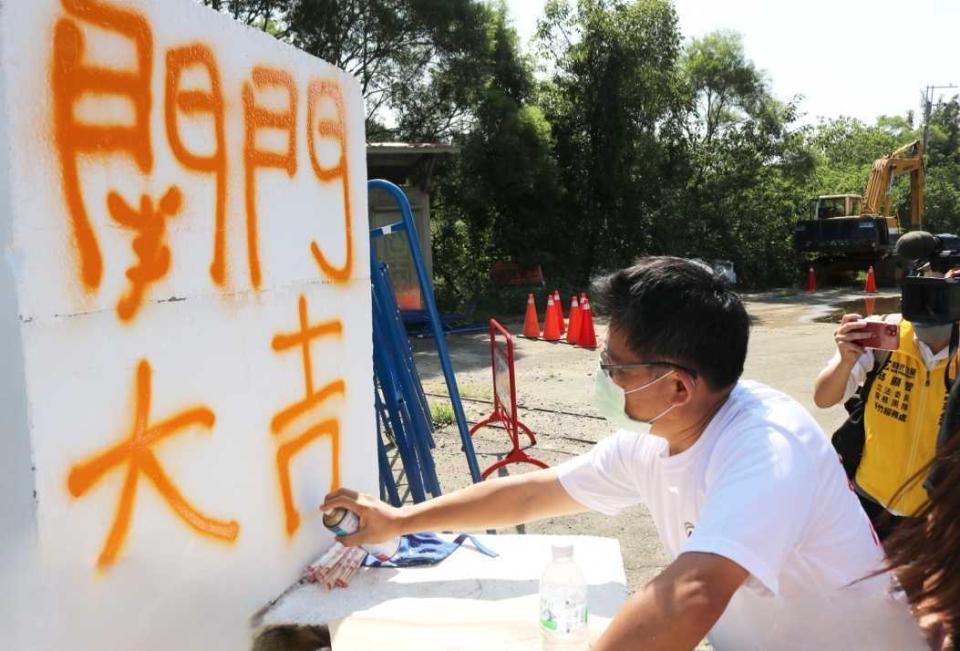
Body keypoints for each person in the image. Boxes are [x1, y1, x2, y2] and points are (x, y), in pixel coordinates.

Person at [324, 257, 926, 650]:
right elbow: (536, 490)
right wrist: (401, 521)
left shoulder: (766, 447)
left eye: (614, 365)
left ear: (678, 386)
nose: (604, 375)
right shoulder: (658, 437)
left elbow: (692, 594)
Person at [813, 309, 957, 539]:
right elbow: (823, 398)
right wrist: (845, 360)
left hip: (935, 513)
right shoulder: (887, 333)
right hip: (869, 499)